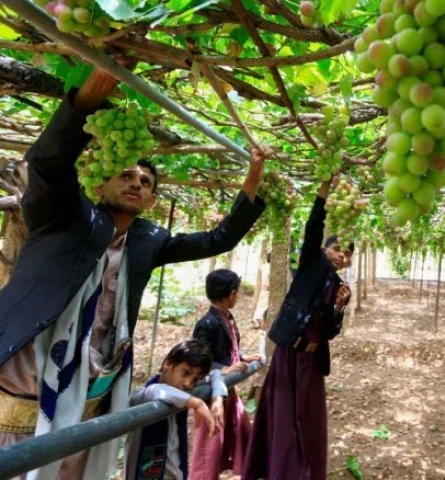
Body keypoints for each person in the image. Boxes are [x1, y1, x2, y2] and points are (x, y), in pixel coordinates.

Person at [0, 62, 270, 480]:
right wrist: (85, 102)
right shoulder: (65, 217)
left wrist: (251, 181)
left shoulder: (147, 241)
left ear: (150, 201)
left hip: (89, 405)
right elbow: (47, 165)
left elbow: (217, 240)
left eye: (146, 182)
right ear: (100, 183)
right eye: (126, 174)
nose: (137, 183)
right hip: (17, 404)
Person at [242, 181, 353, 480]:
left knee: (308, 421)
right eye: (338, 248)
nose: (343, 255)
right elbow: (313, 227)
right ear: (326, 249)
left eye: (348, 252)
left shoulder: (340, 287)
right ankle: (277, 470)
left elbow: (330, 331)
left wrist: (340, 308)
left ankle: (305, 471)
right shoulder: (311, 263)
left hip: (312, 361)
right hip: (290, 351)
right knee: (281, 417)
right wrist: (324, 193)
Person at [191, 269, 264, 480]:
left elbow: (230, 347)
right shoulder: (207, 323)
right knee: (209, 445)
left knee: (241, 428)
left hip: (227, 389)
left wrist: (242, 357)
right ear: (231, 294)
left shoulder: (227, 318)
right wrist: (223, 370)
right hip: (209, 394)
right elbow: (198, 359)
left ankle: (249, 468)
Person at [124, 339, 226, 480]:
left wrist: (217, 398)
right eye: (185, 373)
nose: (188, 384)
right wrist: (198, 404)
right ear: (168, 364)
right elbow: (155, 391)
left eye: (195, 380)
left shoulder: (181, 396)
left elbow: (215, 374)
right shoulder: (145, 396)